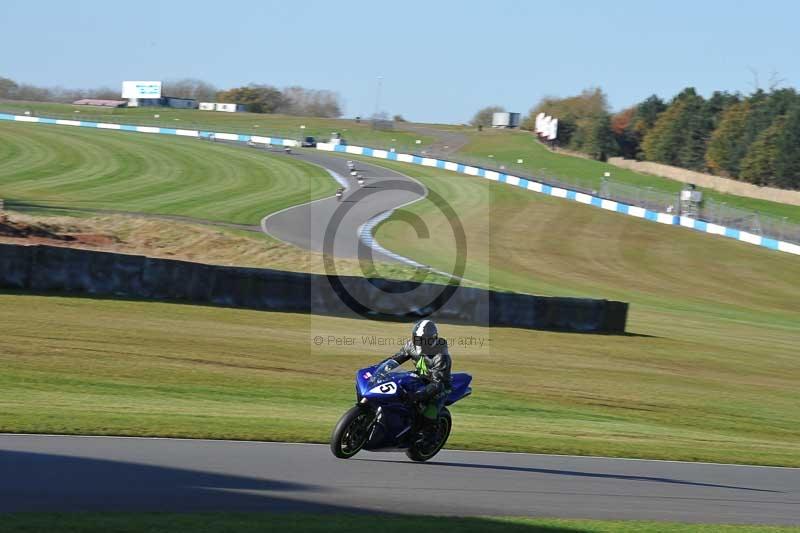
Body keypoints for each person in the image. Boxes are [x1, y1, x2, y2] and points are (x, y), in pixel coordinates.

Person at [389, 320, 452, 445]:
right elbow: (394, 360)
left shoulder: (440, 356)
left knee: (429, 406)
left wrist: (418, 396)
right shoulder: (411, 346)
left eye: (422, 340)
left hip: (439, 385)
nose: (418, 342)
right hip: (421, 377)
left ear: (432, 339)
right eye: (417, 339)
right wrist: (379, 369)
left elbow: (437, 384)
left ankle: (430, 435)